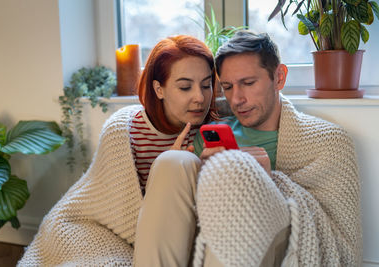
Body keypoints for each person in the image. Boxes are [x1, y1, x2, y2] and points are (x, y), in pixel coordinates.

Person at [133, 30, 362, 267]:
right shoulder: (210, 134)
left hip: (279, 243)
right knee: (172, 161)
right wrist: (203, 176)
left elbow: (340, 242)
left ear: (279, 77)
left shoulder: (329, 141)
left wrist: (268, 179)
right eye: (228, 87)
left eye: (249, 83)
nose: (237, 99)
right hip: (207, 244)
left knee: (233, 168)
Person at [17, 35, 219, 266]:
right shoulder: (124, 129)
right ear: (158, 89)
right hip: (93, 225)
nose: (200, 97)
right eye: (185, 87)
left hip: (165, 241)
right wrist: (163, 170)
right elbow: (109, 204)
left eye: (206, 85)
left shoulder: (213, 132)